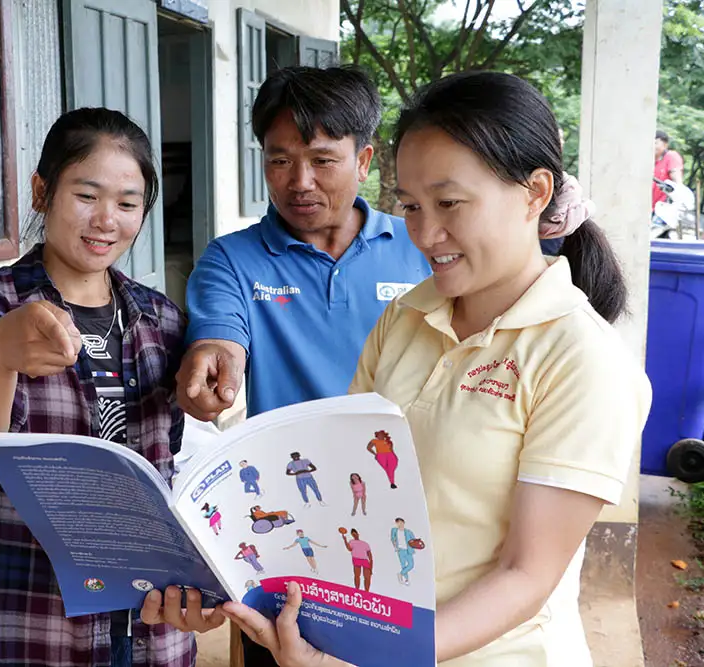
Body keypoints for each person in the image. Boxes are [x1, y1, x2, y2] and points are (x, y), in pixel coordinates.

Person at [221, 71, 651, 666]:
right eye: (411, 206)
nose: (425, 233)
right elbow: (352, 496)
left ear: (534, 192)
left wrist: (368, 659)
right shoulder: (405, 318)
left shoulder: (581, 360)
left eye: (450, 203)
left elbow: (525, 576)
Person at [0, 107, 223, 667]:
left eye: (128, 204)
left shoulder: (161, 318)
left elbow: (167, 474)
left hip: (149, 625)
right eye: (87, 195)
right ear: (42, 192)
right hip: (31, 620)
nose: (107, 220)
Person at [176, 65, 431, 423]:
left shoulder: (423, 246)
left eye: (322, 161)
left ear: (362, 162)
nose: (300, 182)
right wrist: (213, 363)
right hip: (288, 470)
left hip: (403, 465)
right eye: (280, 161)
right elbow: (220, 340)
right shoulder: (231, 259)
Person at [652, 130, 684, 213]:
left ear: (665, 145)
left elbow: (677, 180)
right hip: (649, 207)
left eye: (655, 143)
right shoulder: (650, 161)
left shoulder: (671, 156)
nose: (652, 146)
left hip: (663, 209)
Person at [391, 518, 416, 585]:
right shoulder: (394, 530)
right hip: (400, 550)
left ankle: (400, 574)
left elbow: (414, 540)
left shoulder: (408, 532)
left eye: (401, 522)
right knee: (403, 565)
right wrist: (395, 547)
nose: (400, 524)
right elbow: (393, 539)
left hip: (408, 550)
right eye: (398, 523)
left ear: (403, 523)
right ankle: (406, 579)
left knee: (411, 565)